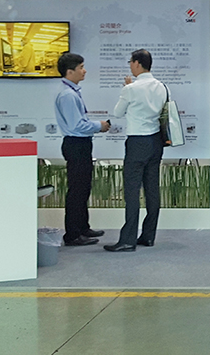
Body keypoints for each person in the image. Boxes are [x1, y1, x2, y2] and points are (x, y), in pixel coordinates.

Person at [104, 49, 167, 252]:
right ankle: (148, 236)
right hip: (156, 141)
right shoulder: (161, 86)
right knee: (152, 189)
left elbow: (117, 112)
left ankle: (128, 240)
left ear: (138, 63)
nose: (130, 65)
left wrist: (127, 88)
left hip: (137, 142)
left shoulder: (130, 89)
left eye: (131, 62)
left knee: (132, 191)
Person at [54, 52, 110, 247]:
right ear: (70, 72)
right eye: (81, 68)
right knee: (77, 190)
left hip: (81, 144)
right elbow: (77, 125)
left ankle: (82, 227)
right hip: (76, 144)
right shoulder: (68, 96)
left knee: (83, 187)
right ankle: (72, 234)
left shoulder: (72, 92)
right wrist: (99, 125)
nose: (84, 71)